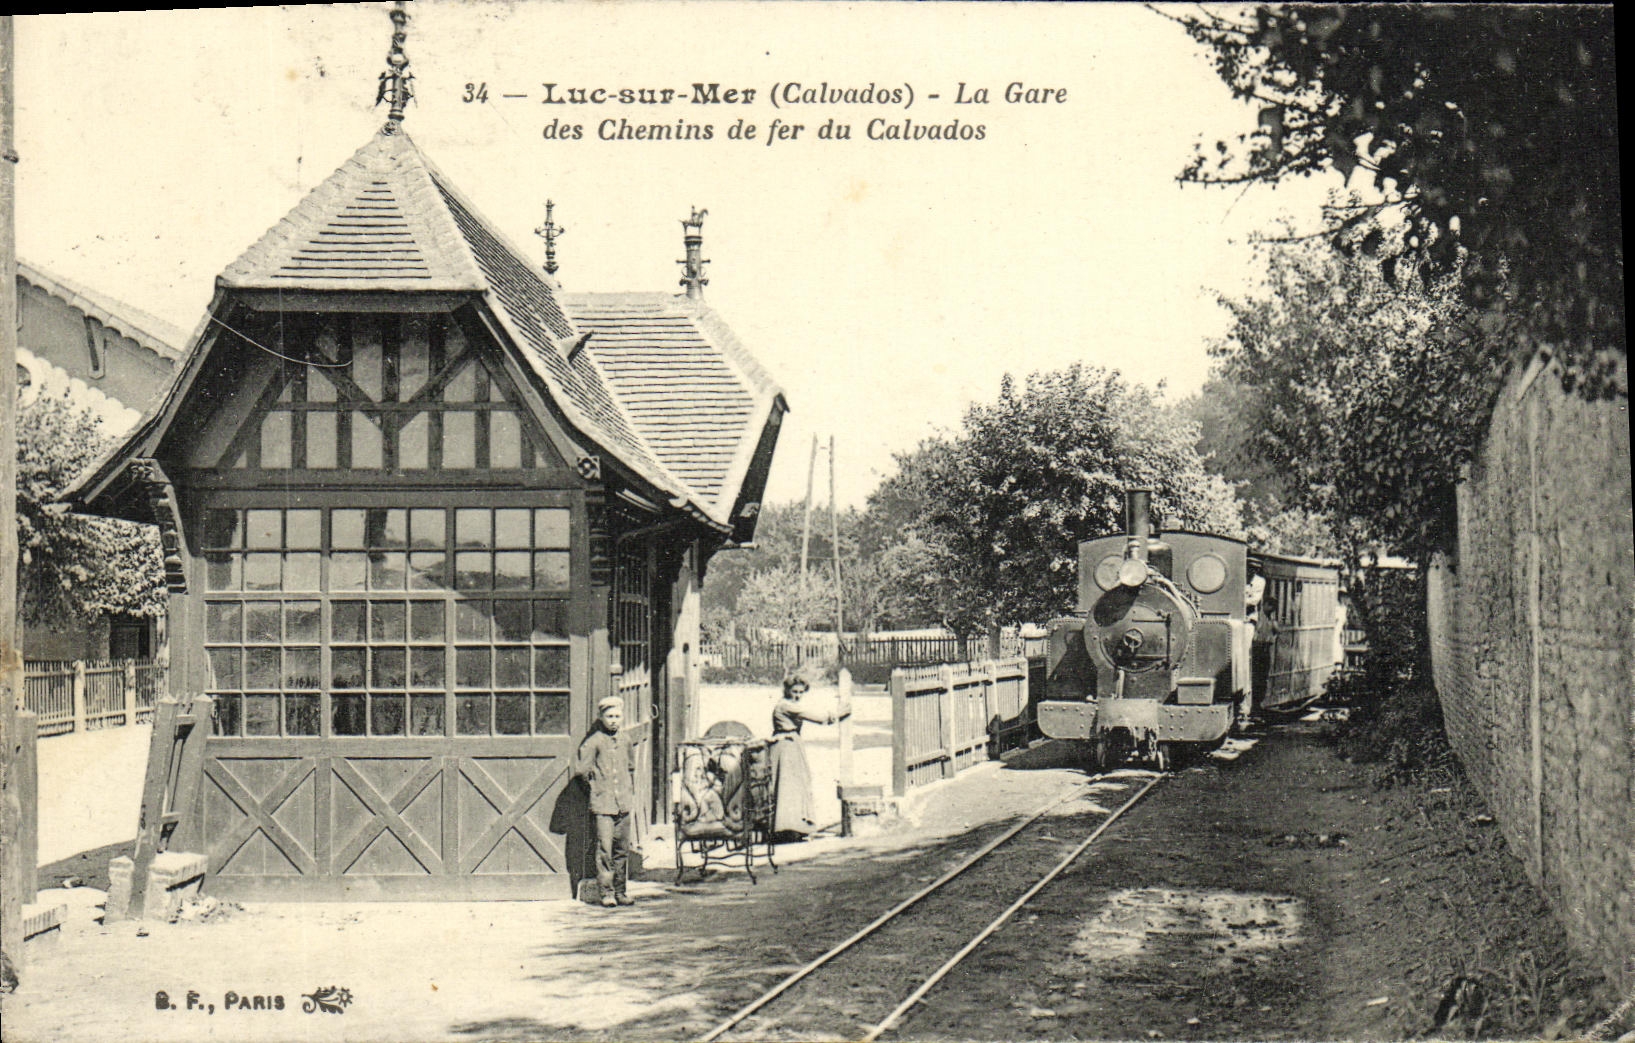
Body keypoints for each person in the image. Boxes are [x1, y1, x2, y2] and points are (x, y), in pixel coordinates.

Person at [575, 695, 635, 908]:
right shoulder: (594, 742)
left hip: (624, 804)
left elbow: (630, 767)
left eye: (617, 716)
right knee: (605, 850)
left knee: (622, 850)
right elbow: (582, 770)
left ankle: (621, 891)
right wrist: (597, 788)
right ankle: (606, 893)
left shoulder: (626, 740)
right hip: (603, 806)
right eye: (609, 716)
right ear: (601, 717)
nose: (613, 720)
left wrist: (627, 793)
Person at [768, 673, 844, 839]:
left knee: (795, 786)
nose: (797, 695)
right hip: (786, 747)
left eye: (801, 692)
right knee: (788, 786)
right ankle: (785, 829)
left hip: (791, 745)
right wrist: (839, 713)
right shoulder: (786, 705)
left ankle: (793, 828)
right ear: (787, 690)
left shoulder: (788, 704)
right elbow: (818, 718)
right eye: (794, 691)